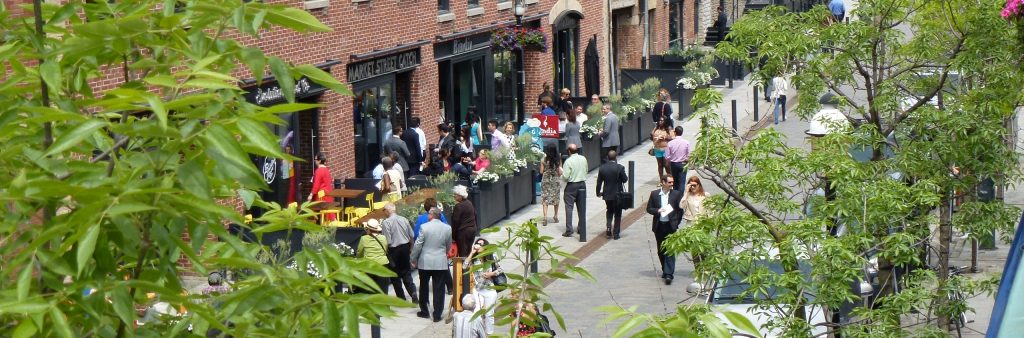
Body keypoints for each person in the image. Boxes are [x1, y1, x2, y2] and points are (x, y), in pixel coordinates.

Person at [411, 207, 452, 322]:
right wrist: (443, 253)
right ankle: (437, 314)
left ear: (431, 215)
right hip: (440, 261)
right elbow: (448, 244)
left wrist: (413, 258)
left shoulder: (424, 227)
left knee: (423, 287)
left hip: (425, 261)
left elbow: (418, 244)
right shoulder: (447, 228)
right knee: (439, 288)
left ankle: (424, 311)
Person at [646, 175, 684, 285]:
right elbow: (649, 208)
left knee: (670, 250)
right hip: (659, 226)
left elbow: (680, 209)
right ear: (663, 182)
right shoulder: (654, 194)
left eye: (672, 182)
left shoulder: (676, 194)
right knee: (661, 250)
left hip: (671, 225)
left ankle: (669, 274)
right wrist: (658, 210)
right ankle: (665, 269)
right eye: (670, 182)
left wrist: (677, 222)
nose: (672, 184)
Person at [381, 203, 417, 303]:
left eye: (384, 210)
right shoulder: (404, 219)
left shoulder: (386, 222)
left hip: (394, 250)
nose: (383, 212)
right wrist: (411, 248)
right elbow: (412, 235)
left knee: (394, 274)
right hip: (405, 247)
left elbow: (387, 241)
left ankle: (401, 298)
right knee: (406, 272)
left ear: (388, 211)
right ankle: (413, 292)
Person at [469, 238, 501, 334]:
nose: (479, 245)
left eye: (482, 244)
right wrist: (472, 252)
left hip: (489, 289)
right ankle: (477, 334)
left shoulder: (491, 257)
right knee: (476, 313)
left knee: (489, 314)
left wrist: (491, 274)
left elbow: (500, 269)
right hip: (478, 290)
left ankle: (489, 334)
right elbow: (464, 266)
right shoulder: (474, 259)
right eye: (477, 243)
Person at [596, 150, 628, 239]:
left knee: (609, 210)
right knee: (618, 213)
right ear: (616, 157)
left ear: (607, 158)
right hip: (618, 194)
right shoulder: (620, 167)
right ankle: (616, 234)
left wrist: (598, 192)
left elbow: (599, 182)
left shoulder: (602, 168)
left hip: (607, 194)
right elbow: (625, 179)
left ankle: (609, 228)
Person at [356, 219, 391, 294]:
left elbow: (359, 252)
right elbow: (385, 249)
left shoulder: (364, 238)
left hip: (369, 266)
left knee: (369, 289)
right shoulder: (383, 238)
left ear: (368, 229)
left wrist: (359, 260)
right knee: (383, 290)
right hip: (383, 265)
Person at [561, 144, 588, 237]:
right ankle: (581, 227)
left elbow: (566, 176)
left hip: (572, 186)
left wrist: (561, 176)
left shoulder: (568, 161)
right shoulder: (583, 158)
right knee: (582, 208)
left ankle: (569, 229)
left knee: (569, 207)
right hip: (582, 185)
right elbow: (586, 170)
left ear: (569, 151)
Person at [451, 185, 478, 258]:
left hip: (463, 232)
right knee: (469, 251)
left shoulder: (458, 206)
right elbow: (475, 215)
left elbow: (455, 222)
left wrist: (453, 236)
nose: (454, 196)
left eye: (455, 195)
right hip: (472, 230)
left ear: (460, 196)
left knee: (462, 253)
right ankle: (469, 267)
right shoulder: (469, 203)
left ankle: (464, 268)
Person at [307, 153, 335, 220]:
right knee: (329, 211)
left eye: (315, 159)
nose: (314, 161)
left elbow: (316, 184)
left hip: (321, 194)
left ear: (319, 161)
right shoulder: (326, 170)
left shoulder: (319, 171)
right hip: (328, 193)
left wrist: (311, 194)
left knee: (321, 211)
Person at [539, 145, 562, 226]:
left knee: (545, 198)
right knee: (556, 197)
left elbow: (541, 172)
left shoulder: (543, 159)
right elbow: (560, 172)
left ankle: (545, 217)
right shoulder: (558, 159)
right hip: (555, 180)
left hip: (546, 180)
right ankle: (555, 216)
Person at [664, 126, 691, 191]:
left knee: (675, 181)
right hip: (683, 163)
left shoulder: (670, 143)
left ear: (675, 132)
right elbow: (689, 154)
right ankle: (680, 197)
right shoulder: (686, 142)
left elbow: (667, 156)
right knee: (682, 182)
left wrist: (668, 161)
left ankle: (675, 195)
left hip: (674, 164)